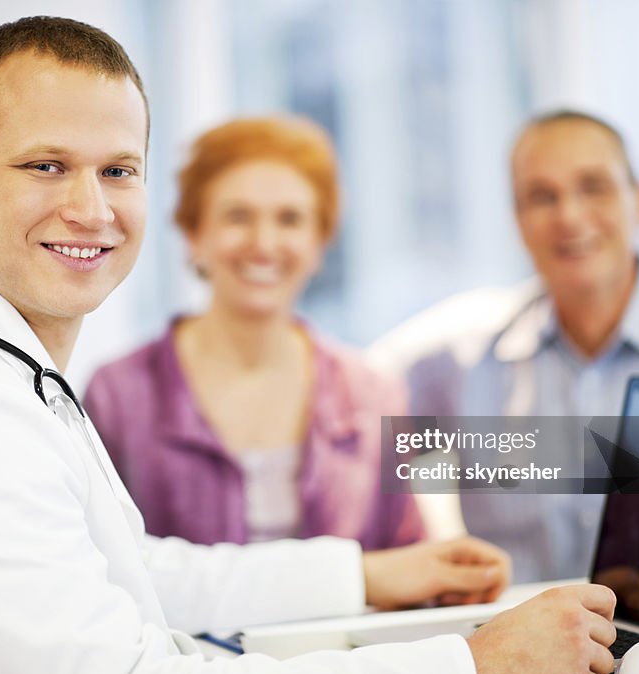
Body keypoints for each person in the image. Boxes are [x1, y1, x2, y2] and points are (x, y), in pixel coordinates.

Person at [0, 18, 617, 674]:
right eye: (44, 165)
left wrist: (362, 575)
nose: (89, 209)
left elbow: (126, 571)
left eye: (117, 171)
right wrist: (473, 665)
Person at [370, 110, 639, 584]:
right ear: (518, 222)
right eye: (541, 196)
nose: (569, 216)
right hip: (522, 647)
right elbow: (340, 424)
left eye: (593, 186)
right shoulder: (457, 360)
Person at [84, 117, 422, 550]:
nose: (264, 243)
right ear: (193, 235)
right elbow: (102, 565)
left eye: (290, 219)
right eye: (238, 216)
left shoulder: (379, 394)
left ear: (320, 241)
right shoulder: (118, 395)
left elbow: (412, 554)